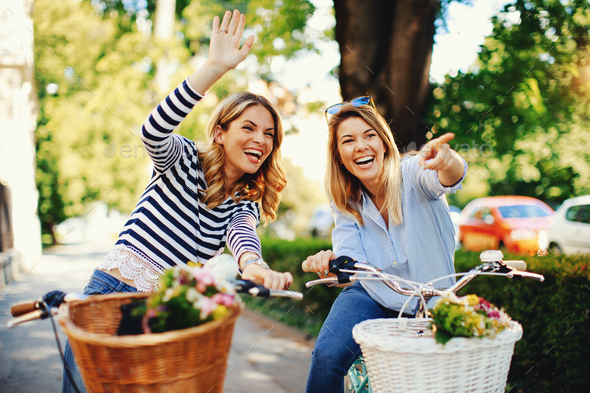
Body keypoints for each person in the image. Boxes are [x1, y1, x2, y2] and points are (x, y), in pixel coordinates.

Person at [62, 10, 293, 392]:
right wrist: (214, 67)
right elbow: (152, 129)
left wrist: (255, 266)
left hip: (170, 315)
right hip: (114, 297)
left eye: (269, 134)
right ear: (219, 133)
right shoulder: (182, 159)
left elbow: (244, 239)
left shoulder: (244, 202)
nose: (261, 140)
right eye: (248, 128)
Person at [301, 97, 467, 392]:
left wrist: (447, 159)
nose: (360, 146)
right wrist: (331, 262)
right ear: (339, 155)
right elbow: (350, 264)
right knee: (327, 357)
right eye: (348, 140)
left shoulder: (414, 172)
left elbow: (449, 177)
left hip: (431, 301)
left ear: (384, 142)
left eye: (369, 135)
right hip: (372, 297)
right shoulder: (346, 202)